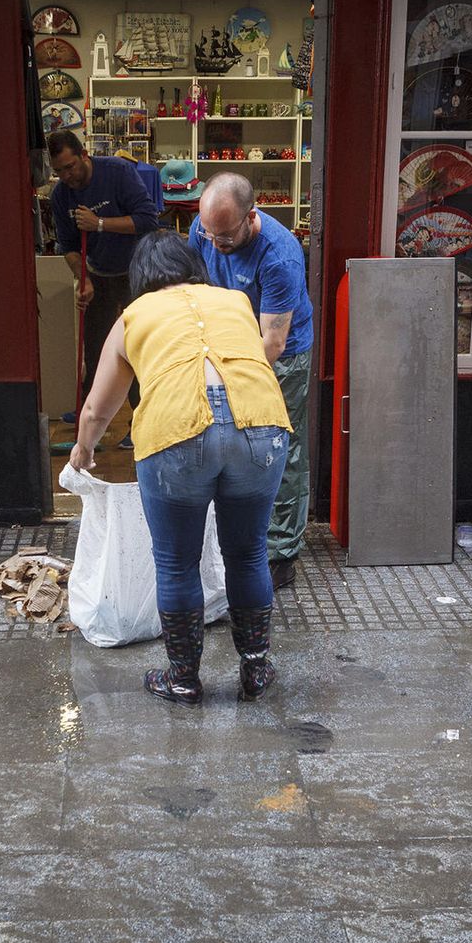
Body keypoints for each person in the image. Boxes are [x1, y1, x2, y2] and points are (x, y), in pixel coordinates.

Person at [69, 232, 292, 706]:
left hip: (176, 434)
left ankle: (184, 679)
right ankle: (255, 669)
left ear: (142, 278)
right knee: (249, 552)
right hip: (263, 427)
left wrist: (84, 451)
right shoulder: (234, 301)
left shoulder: (134, 316)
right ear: (194, 266)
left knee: (176, 563)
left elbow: (95, 411)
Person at [188, 172, 313, 591]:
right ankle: (228, 545)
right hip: (223, 347)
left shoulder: (280, 257)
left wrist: (223, 374)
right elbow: (190, 290)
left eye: (224, 237)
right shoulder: (205, 229)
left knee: (279, 447)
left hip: (280, 356)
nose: (215, 244)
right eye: (209, 234)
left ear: (251, 218)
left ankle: (281, 554)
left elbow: (272, 344)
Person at [47, 129, 161, 439]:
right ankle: (90, 428)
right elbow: (67, 246)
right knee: (95, 353)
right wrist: (81, 277)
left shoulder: (118, 172)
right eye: (58, 171)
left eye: (70, 167)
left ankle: (141, 426)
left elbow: (148, 220)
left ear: (84, 155)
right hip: (98, 276)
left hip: (136, 274)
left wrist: (98, 224)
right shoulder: (61, 196)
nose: (66, 175)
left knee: (139, 350)